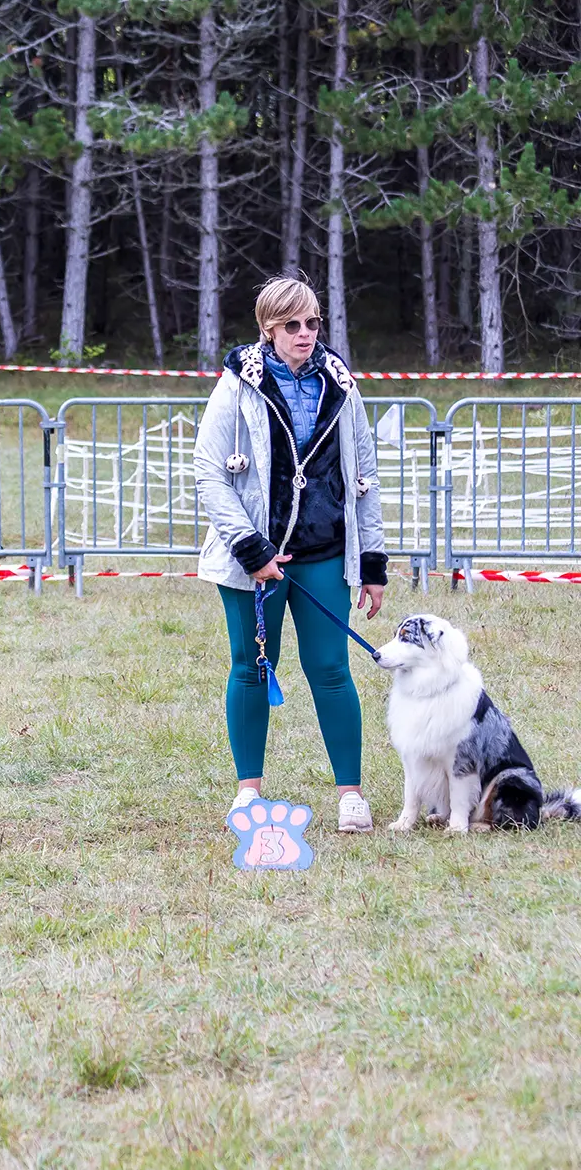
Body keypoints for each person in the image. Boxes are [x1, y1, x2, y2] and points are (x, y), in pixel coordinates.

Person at [194, 277, 386, 833]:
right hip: (253, 556)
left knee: (331, 669)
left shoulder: (342, 385)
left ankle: (351, 793)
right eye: (292, 326)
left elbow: (364, 478)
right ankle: (248, 791)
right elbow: (210, 473)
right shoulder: (236, 386)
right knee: (253, 667)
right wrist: (250, 550)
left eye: (313, 324)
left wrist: (371, 563)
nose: (306, 335)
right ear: (268, 329)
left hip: (323, 551)